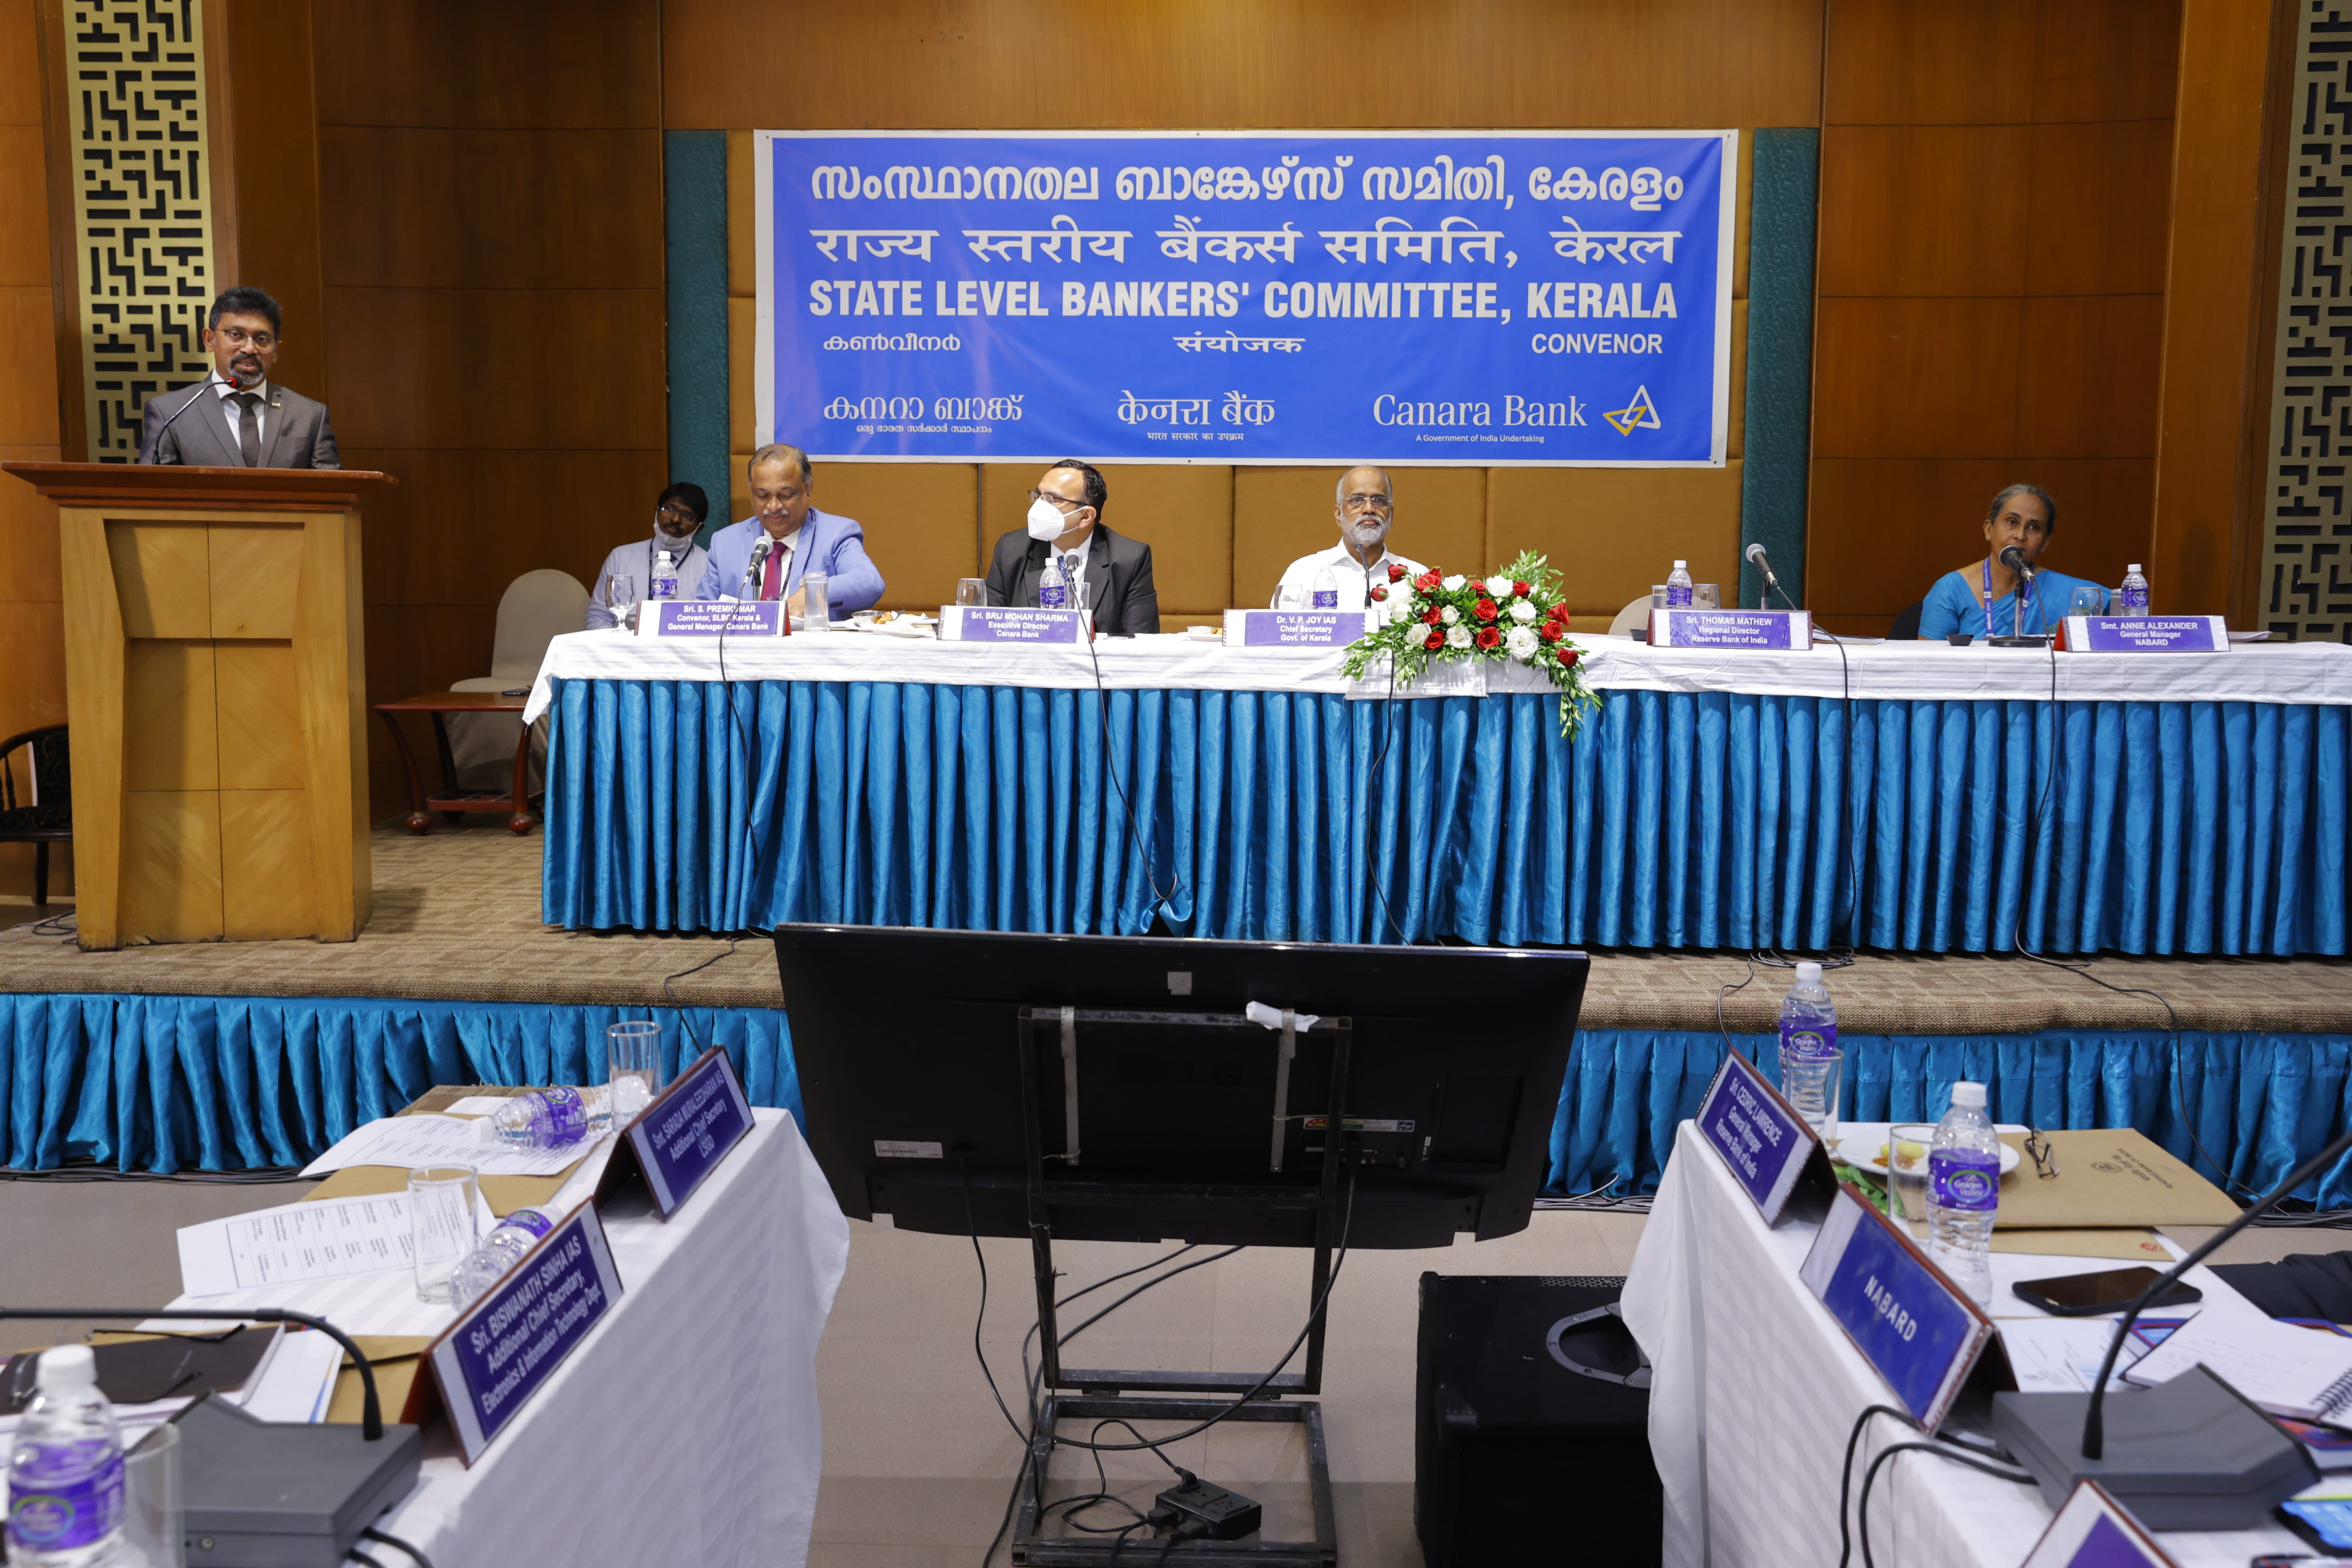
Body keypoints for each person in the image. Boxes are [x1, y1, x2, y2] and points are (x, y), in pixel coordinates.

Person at [138, 286, 339, 468]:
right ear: (209, 340)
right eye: (236, 335)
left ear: (276, 351)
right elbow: (154, 489)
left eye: (262, 339)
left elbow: (332, 491)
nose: (250, 348)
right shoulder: (171, 413)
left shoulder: (310, 416)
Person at [694, 444, 885, 619]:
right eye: (763, 496)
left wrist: (812, 592)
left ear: (808, 489)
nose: (774, 506)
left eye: (786, 495)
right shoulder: (725, 542)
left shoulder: (836, 534)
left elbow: (870, 582)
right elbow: (701, 615)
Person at [983, 459, 1160, 634]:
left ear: (1086, 516)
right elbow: (987, 629)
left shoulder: (1130, 560)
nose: (1039, 506)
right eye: (1038, 496)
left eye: (1052, 499)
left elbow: (1141, 642)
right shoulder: (1011, 550)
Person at [1916, 484, 2108, 640]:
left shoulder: (2072, 592)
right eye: (2012, 522)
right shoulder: (1950, 589)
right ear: (1989, 529)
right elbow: (1927, 664)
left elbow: (2121, 611)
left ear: (2046, 542)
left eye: (2034, 527)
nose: (2020, 535)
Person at [1270, 465, 1427, 609]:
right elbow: (1278, 628)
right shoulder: (1303, 574)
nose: (1369, 509)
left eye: (1379, 500)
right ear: (1339, 515)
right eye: (1357, 500)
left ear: (1391, 514)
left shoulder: (1418, 577)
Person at [586, 483, 712, 630]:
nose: (676, 519)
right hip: (625, 643)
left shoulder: (708, 565)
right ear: (656, 512)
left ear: (699, 528)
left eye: (688, 516)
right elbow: (598, 617)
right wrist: (619, 644)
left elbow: (711, 623)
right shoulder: (620, 557)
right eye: (668, 509)